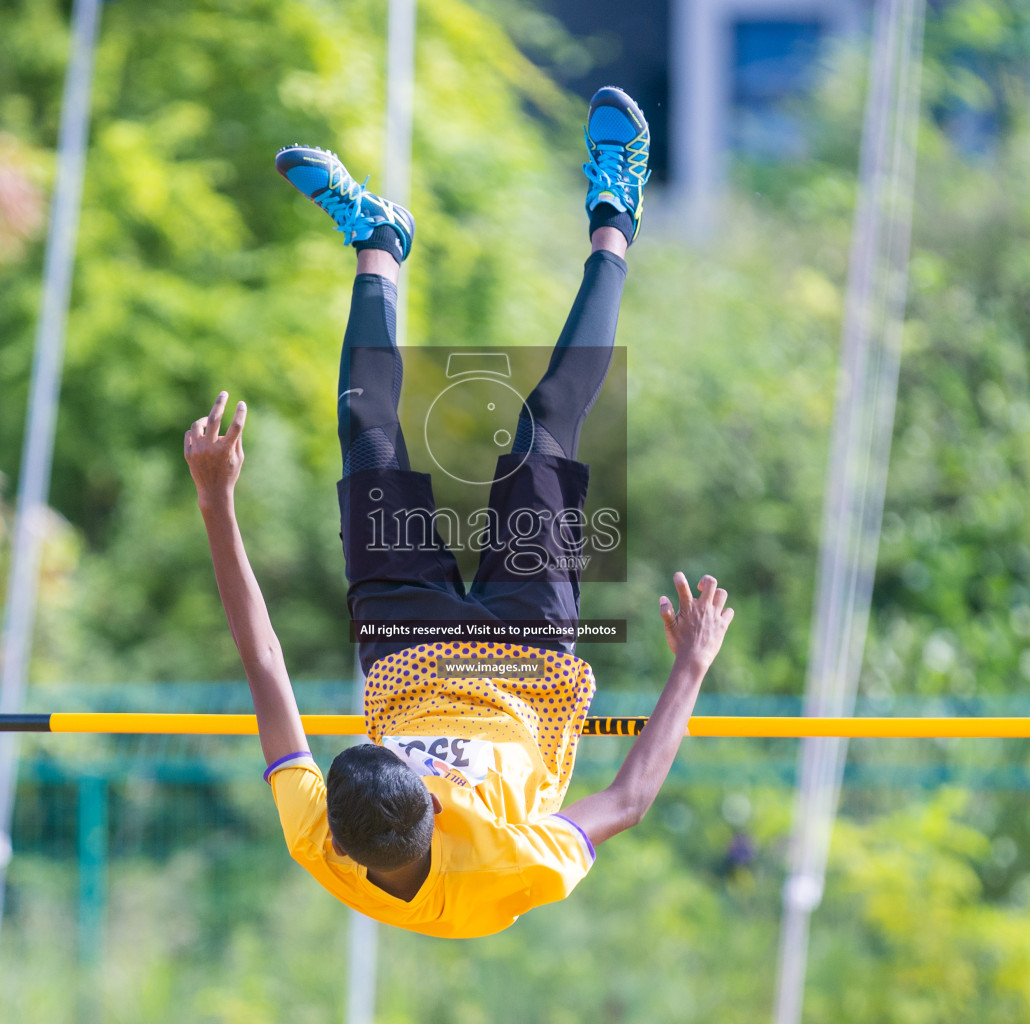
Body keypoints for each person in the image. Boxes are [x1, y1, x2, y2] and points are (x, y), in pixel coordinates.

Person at [184, 87, 734, 938]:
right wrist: (692, 664)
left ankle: (377, 244)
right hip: (527, 664)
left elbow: (263, 658)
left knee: (367, 434)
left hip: (404, 649)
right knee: (543, 428)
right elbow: (625, 801)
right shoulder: (507, 870)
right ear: (433, 820)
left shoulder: (317, 836)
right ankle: (616, 214)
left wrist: (216, 501)